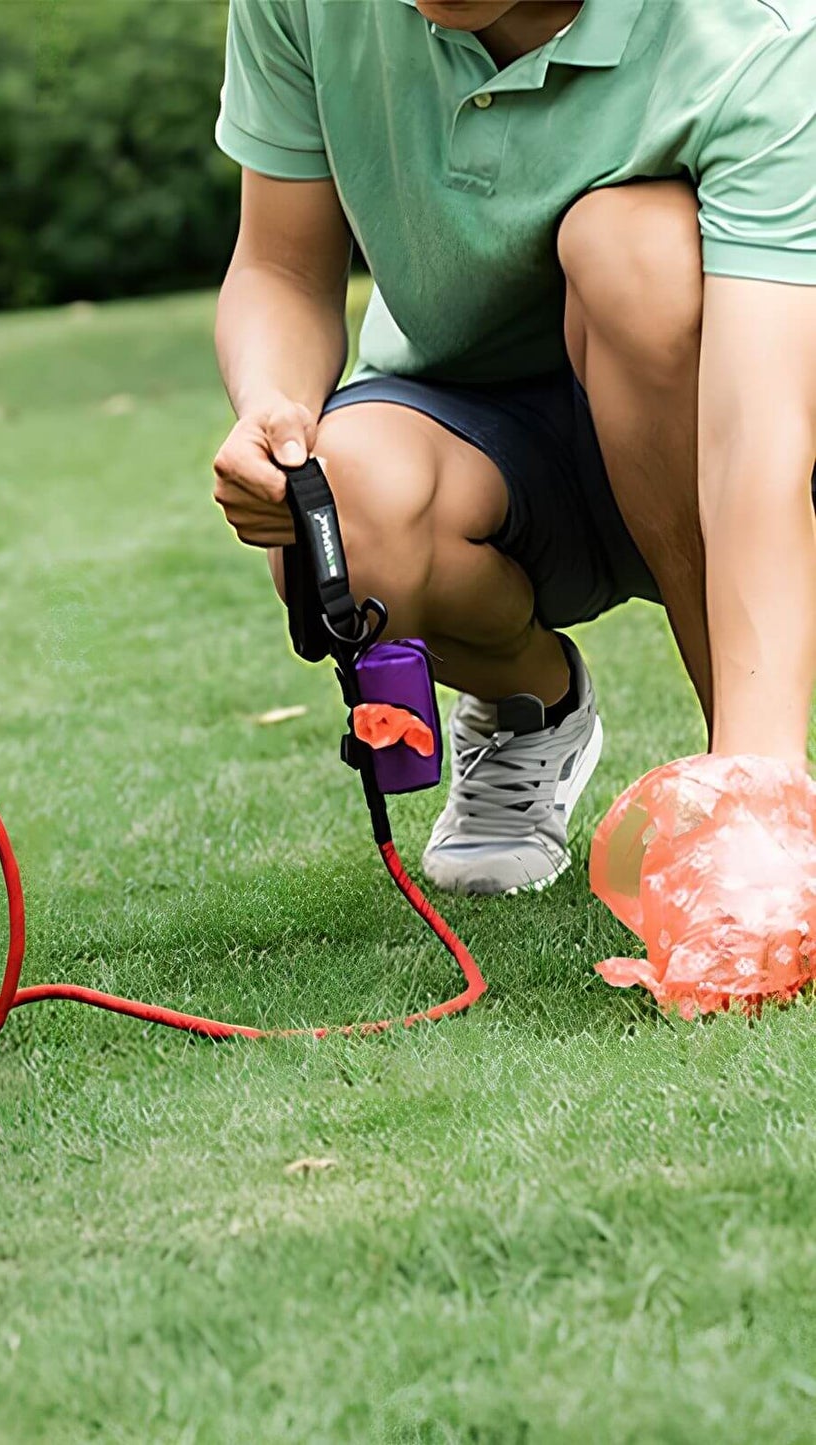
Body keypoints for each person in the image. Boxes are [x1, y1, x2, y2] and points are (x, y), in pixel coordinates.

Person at [211, 0, 816, 895]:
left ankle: (744, 791)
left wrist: (758, 788)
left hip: (704, 400)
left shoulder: (755, 30)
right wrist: (273, 403)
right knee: (337, 515)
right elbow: (282, 266)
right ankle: (531, 706)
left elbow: (753, 439)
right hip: (473, 427)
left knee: (629, 250)